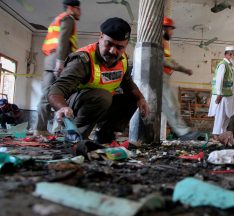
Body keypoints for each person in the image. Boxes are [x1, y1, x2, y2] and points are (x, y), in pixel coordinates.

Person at [48, 17, 149, 143]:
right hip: (73, 109)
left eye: (119, 47)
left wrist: (140, 98)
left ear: (126, 45)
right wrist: (62, 108)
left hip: (101, 105)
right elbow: (56, 89)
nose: (113, 51)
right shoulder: (82, 60)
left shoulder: (122, 60)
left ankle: (105, 135)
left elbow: (127, 82)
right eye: (109, 44)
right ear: (100, 37)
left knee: (131, 97)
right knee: (103, 96)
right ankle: (76, 135)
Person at [34, 0, 81, 136]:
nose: (80, 12)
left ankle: (40, 129)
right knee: (62, 95)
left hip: (50, 60)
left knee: (46, 96)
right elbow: (62, 40)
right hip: (58, 60)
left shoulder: (57, 19)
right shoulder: (68, 19)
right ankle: (60, 131)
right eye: (78, 9)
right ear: (71, 8)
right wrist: (60, 62)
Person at [162, 17, 199, 140]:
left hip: (163, 76)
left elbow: (169, 61)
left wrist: (183, 69)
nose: (172, 33)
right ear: (164, 29)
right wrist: (184, 70)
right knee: (170, 103)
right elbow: (166, 61)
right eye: (170, 29)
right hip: (159, 76)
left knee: (168, 104)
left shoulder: (163, 43)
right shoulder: (159, 42)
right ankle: (183, 132)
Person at [208, 46, 234, 140]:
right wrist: (219, 94)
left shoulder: (229, 66)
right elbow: (219, 81)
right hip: (222, 97)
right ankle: (216, 135)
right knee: (220, 116)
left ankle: (222, 136)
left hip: (228, 96)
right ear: (230, 54)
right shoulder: (223, 65)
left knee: (227, 116)